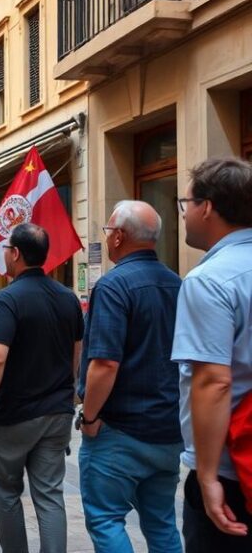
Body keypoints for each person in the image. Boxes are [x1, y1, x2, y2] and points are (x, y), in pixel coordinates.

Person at [78, 200, 183, 552]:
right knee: (162, 522)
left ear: (120, 237)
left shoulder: (113, 286)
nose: (106, 238)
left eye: (108, 232)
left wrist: (89, 417)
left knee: (106, 519)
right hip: (167, 429)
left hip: (119, 431)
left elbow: (105, 364)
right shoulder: (178, 284)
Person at [0, 223, 84, 553]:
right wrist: (70, 392)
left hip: (14, 415)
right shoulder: (68, 298)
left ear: (16, 254)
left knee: (6, 492)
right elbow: (76, 353)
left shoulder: (7, 299)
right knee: (50, 494)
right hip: (56, 413)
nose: (4, 254)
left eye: (6, 248)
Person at [171, 157, 252, 551]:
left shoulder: (209, 280)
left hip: (233, 472)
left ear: (206, 207)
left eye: (185, 205)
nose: (184, 215)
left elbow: (212, 381)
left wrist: (206, 477)